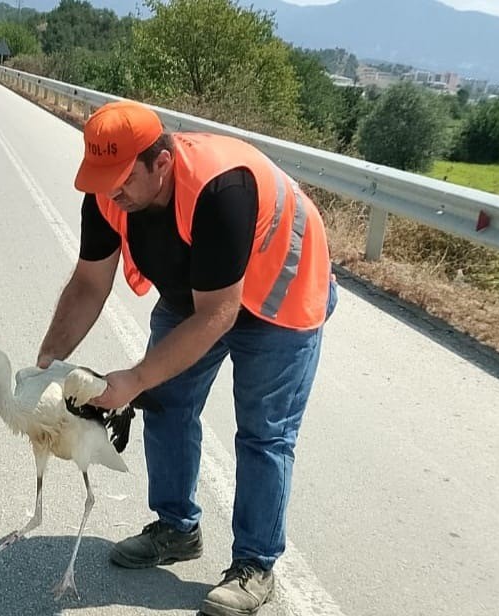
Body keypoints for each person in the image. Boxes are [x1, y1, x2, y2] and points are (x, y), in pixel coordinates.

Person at [34, 100, 338, 616]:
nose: (112, 192)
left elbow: (219, 314)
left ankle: (254, 565)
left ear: (162, 163)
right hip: (198, 292)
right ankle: (176, 529)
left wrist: (131, 379)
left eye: (122, 178)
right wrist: (45, 364)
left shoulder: (222, 190)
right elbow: (88, 284)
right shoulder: (108, 195)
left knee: (264, 434)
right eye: (102, 179)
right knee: (167, 406)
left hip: (280, 297)